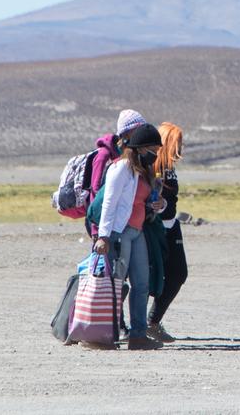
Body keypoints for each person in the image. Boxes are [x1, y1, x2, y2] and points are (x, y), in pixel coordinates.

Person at [93, 122, 166, 350]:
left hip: (137, 231)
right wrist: (103, 236)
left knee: (141, 284)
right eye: (152, 149)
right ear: (140, 148)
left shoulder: (144, 171)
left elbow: (145, 201)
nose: (155, 153)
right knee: (116, 284)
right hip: (120, 233)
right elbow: (109, 203)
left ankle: (138, 335)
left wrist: (160, 205)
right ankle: (107, 334)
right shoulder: (121, 169)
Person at [147, 122, 187, 343]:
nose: (180, 147)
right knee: (147, 276)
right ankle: (134, 324)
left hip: (171, 225)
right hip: (156, 228)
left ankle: (152, 321)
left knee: (178, 273)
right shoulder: (152, 167)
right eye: (177, 142)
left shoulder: (169, 168)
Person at [87, 108, 151, 237]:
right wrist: (97, 231)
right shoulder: (104, 156)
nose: (142, 133)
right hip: (108, 228)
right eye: (138, 130)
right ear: (126, 133)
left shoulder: (136, 155)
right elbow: (96, 192)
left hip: (129, 226)